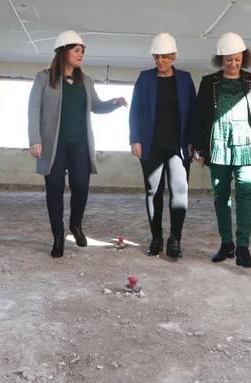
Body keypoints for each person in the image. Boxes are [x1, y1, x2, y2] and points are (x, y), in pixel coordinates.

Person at [28, 31, 127, 258]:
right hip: (53, 145)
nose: (80, 55)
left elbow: (96, 106)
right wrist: (34, 139)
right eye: (76, 50)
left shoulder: (87, 82)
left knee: (81, 187)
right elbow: (33, 109)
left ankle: (76, 225)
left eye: (82, 51)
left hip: (80, 145)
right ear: (63, 51)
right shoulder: (44, 78)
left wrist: (113, 103)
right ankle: (58, 236)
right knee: (54, 191)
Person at [192, 32, 251, 268]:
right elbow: (198, 118)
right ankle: (227, 243)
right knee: (221, 196)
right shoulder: (209, 82)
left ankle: (243, 248)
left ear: (243, 58)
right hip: (218, 144)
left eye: (237, 59)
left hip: (247, 144)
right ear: (220, 59)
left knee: (246, 194)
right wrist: (198, 147)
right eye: (228, 59)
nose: (233, 63)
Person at [129, 33, 196, 259]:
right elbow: (135, 111)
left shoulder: (185, 79)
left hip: (178, 146)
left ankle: (175, 239)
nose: (160, 61)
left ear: (174, 56)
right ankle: (156, 237)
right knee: (152, 192)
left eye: (165, 57)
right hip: (151, 145)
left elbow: (193, 114)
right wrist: (134, 139)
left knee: (180, 192)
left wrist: (192, 143)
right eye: (156, 57)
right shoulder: (145, 78)